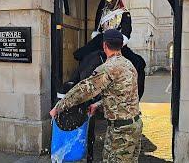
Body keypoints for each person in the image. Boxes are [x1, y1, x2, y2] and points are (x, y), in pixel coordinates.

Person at [50, 29, 143, 163]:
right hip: (133, 126)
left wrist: (58, 107)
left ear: (105, 45)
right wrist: (98, 105)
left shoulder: (108, 68)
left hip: (121, 132)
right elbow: (123, 96)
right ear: (121, 45)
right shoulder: (129, 65)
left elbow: (82, 91)